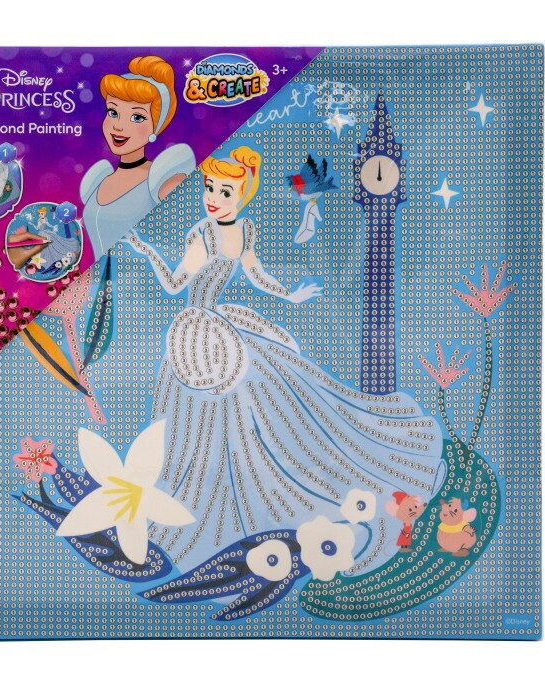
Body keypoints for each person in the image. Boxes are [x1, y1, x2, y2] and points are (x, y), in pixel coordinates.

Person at [126, 146, 447, 574]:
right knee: (200, 431)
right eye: (210, 187)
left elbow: (256, 275)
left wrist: (288, 294)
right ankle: (211, 511)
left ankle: (280, 499)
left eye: (225, 190)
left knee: (280, 407)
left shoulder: (242, 231)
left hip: (222, 331)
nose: (213, 197)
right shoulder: (202, 233)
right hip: (200, 339)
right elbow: (174, 284)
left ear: (243, 194)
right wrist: (146, 250)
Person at [79, 55, 196, 259]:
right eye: (113, 112)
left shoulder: (163, 178)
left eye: (137, 117)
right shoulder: (97, 179)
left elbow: (182, 247)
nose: (118, 126)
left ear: (155, 127)